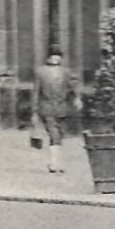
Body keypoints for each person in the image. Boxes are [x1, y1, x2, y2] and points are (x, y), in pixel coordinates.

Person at [31, 47, 82, 175]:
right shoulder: (41, 72)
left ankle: (56, 161)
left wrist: (77, 98)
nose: (55, 58)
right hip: (47, 107)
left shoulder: (66, 72)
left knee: (60, 134)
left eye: (58, 56)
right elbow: (36, 92)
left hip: (62, 107)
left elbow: (73, 87)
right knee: (54, 134)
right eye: (53, 56)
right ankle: (55, 163)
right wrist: (34, 111)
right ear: (48, 58)